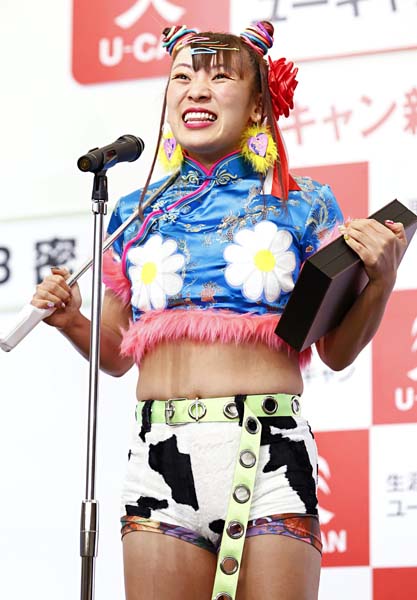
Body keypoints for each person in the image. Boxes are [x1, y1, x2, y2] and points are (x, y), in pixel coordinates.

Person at [31, 22, 407, 600]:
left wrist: (382, 280)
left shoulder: (304, 202)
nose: (197, 90)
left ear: (259, 103)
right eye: (183, 76)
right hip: (159, 456)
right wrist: (72, 322)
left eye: (220, 77)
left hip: (270, 451)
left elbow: (335, 351)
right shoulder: (132, 213)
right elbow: (115, 354)